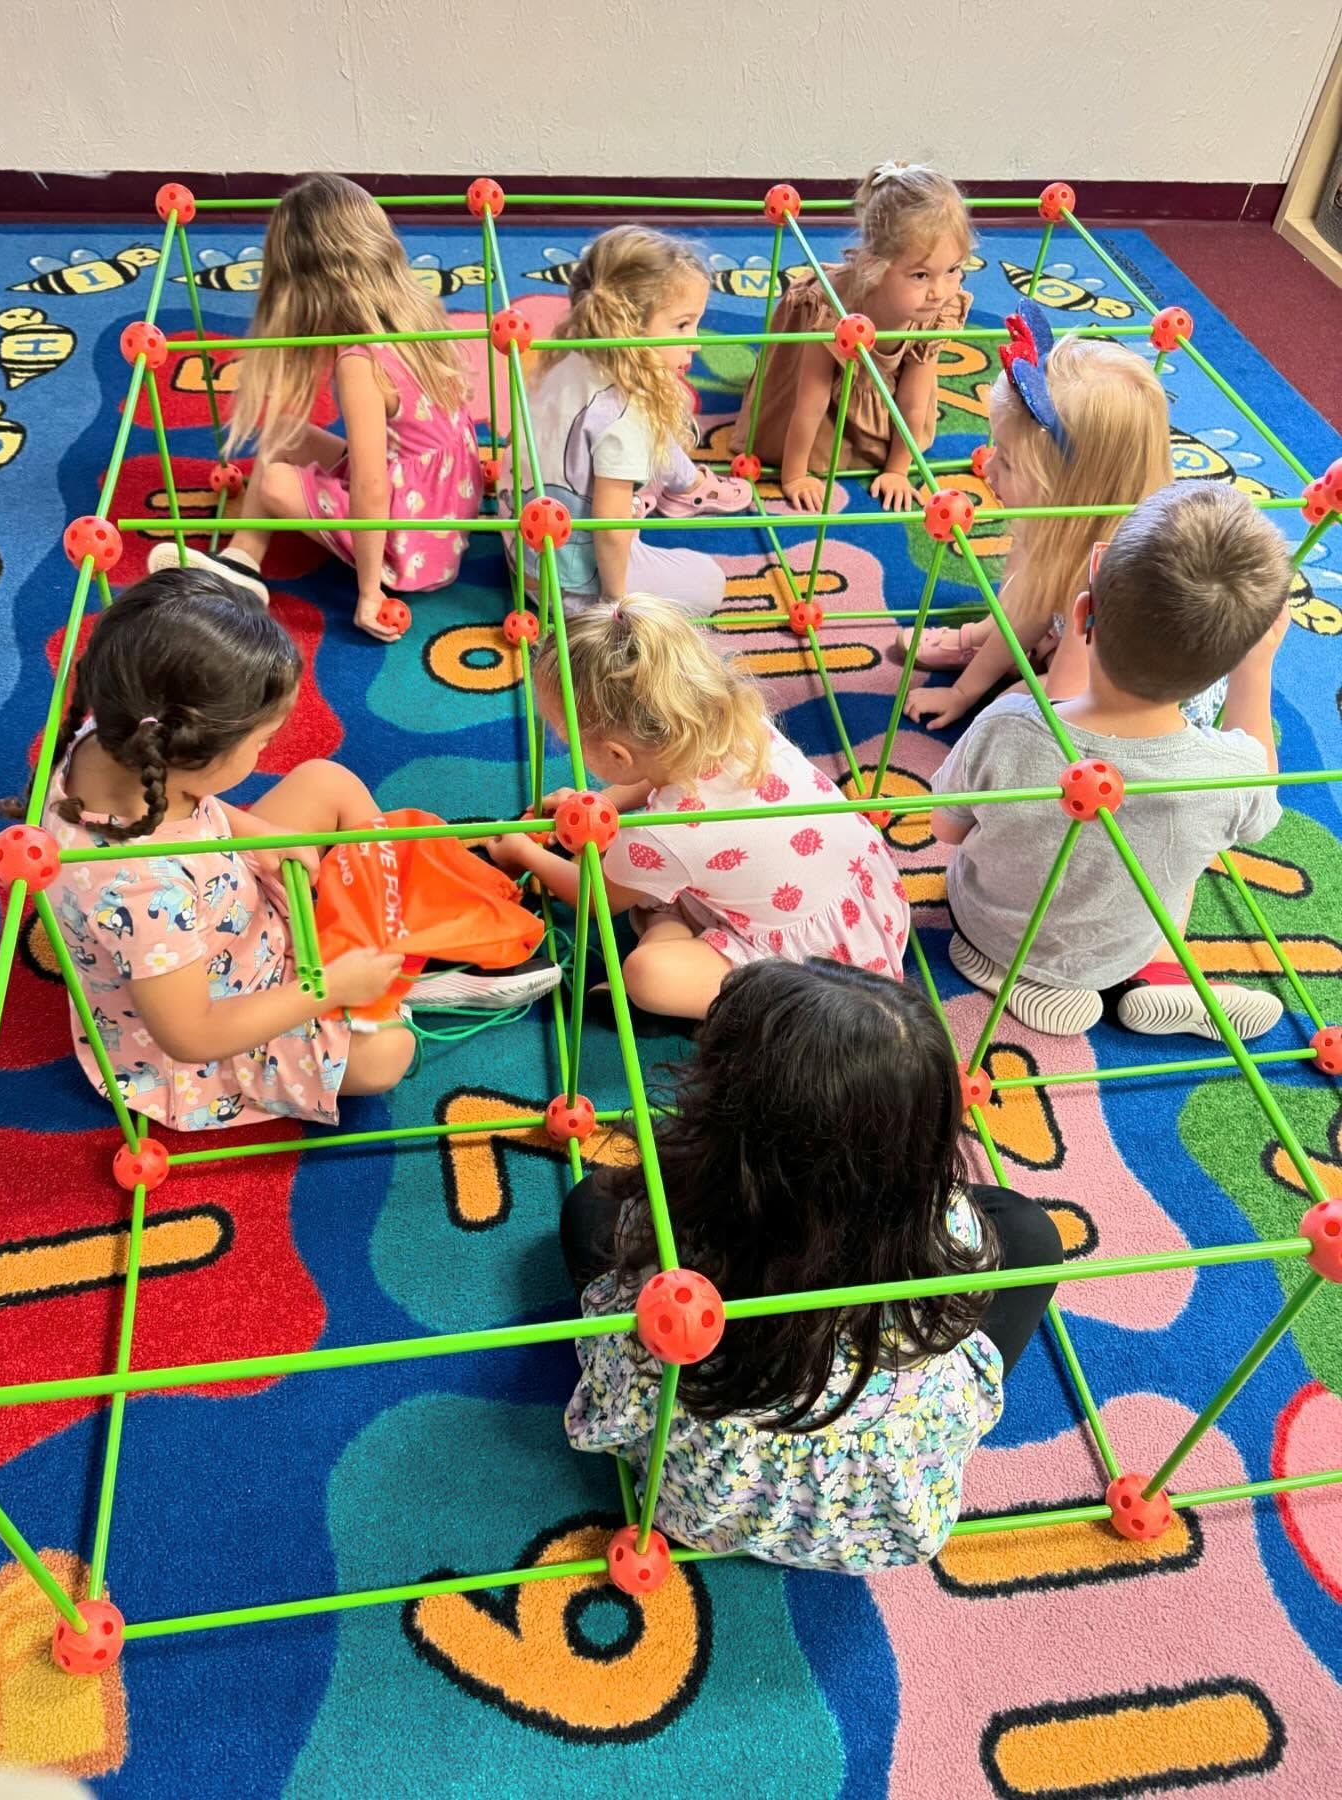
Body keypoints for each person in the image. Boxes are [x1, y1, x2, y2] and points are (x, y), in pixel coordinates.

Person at [6, 571, 556, 1132]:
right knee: (388, 1056)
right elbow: (193, 1036)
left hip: (224, 909)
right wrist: (328, 989)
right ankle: (392, 980)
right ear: (186, 753)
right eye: (263, 741)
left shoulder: (116, 734)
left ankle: (383, 940)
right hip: (219, 1018)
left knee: (326, 780)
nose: (271, 749)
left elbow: (192, 813)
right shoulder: (144, 892)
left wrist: (253, 836)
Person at [562, 960, 1062, 1572]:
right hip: (878, 1513)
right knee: (1029, 1233)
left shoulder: (673, 1230)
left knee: (591, 1206)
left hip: (703, 1504)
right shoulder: (950, 1229)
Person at [932, 481, 1290, 1040]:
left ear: (1081, 616)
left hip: (989, 922)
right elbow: (1262, 804)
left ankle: (1006, 970)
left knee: (999, 862)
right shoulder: (1228, 773)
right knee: (1183, 858)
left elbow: (946, 830)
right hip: (1123, 943)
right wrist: (1255, 671)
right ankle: (1159, 973)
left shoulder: (1008, 724)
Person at [485, 596, 909, 1028]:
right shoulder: (738, 722)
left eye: (563, 734)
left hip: (820, 978)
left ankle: (677, 962)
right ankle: (672, 913)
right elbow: (655, 775)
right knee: (659, 881)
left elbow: (594, 898)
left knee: (646, 973)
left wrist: (523, 854)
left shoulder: (660, 837)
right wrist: (605, 803)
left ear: (616, 754)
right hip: (869, 898)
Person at [147, 173, 481, 642]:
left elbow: (369, 486)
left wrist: (370, 594)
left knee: (280, 480)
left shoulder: (359, 364)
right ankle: (242, 559)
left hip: (413, 539)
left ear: (305, 286)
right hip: (445, 499)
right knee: (284, 431)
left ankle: (254, 567)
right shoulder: (415, 310)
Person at [899, 302, 1174, 731]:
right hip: (1075, 635)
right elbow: (1029, 607)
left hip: (1124, 697)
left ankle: (1035, 653)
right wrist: (964, 691)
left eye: (1007, 463)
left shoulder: (1109, 577)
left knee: (1014, 714)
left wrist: (993, 707)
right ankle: (999, 641)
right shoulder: (1072, 526)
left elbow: (1067, 697)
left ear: (1072, 492)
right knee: (1028, 580)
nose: (986, 470)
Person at [506, 226, 749, 615]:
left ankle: (687, 484)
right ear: (628, 327)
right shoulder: (623, 414)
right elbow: (611, 530)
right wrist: (617, 605)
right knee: (709, 583)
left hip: (525, 548)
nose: (697, 342)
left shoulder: (572, 353)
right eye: (683, 324)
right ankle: (670, 494)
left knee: (651, 420)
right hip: (570, 588)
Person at [734, 162, 973, 514]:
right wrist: (794, 476)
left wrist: (896, 470)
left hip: (877, 388)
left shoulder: (934, 312)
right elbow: (810, 401)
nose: (940, 291)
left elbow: (912, 402)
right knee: (803, 442)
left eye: (953, 270)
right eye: (921, 275)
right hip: (817, 385)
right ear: (876, 265)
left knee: (905, 430)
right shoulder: (833, 311)